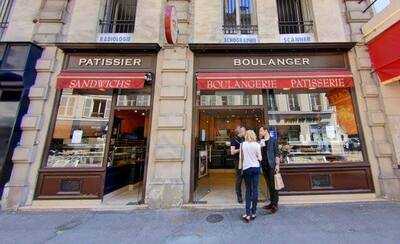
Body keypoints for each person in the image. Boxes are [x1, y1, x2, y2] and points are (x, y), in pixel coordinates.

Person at [240, 130, 262, 222]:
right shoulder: (257, 145)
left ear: (246, 136)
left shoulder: (242, 145)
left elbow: (242, 158)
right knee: (255, 189)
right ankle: (254, 212)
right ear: (254, 136)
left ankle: (247, 214)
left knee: (248, 190)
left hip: (247, 168)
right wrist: (256, 158)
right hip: (256, 168)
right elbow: (260, 158)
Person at [259, 127, 280, 214]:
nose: (259, 132)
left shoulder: (273, 140)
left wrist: (277, 165)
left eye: (261, 131)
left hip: (271, 165)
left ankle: (275, 204)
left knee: (273, 185)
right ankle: (271, 203)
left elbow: (277, 153)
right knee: (268, 184)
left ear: (265, 131)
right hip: (264, 165)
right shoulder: (262, 141)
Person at [230, 126, 245, 203]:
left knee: (247, 178)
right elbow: (232, 152)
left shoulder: (245, 139)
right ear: (240, 132)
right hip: (238, 161)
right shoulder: (234, 139)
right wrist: (241, 148)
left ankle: (248, 195)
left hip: (246, 161)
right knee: (239, 179)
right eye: (244, 131)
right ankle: (239, 196)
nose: (245, 132)